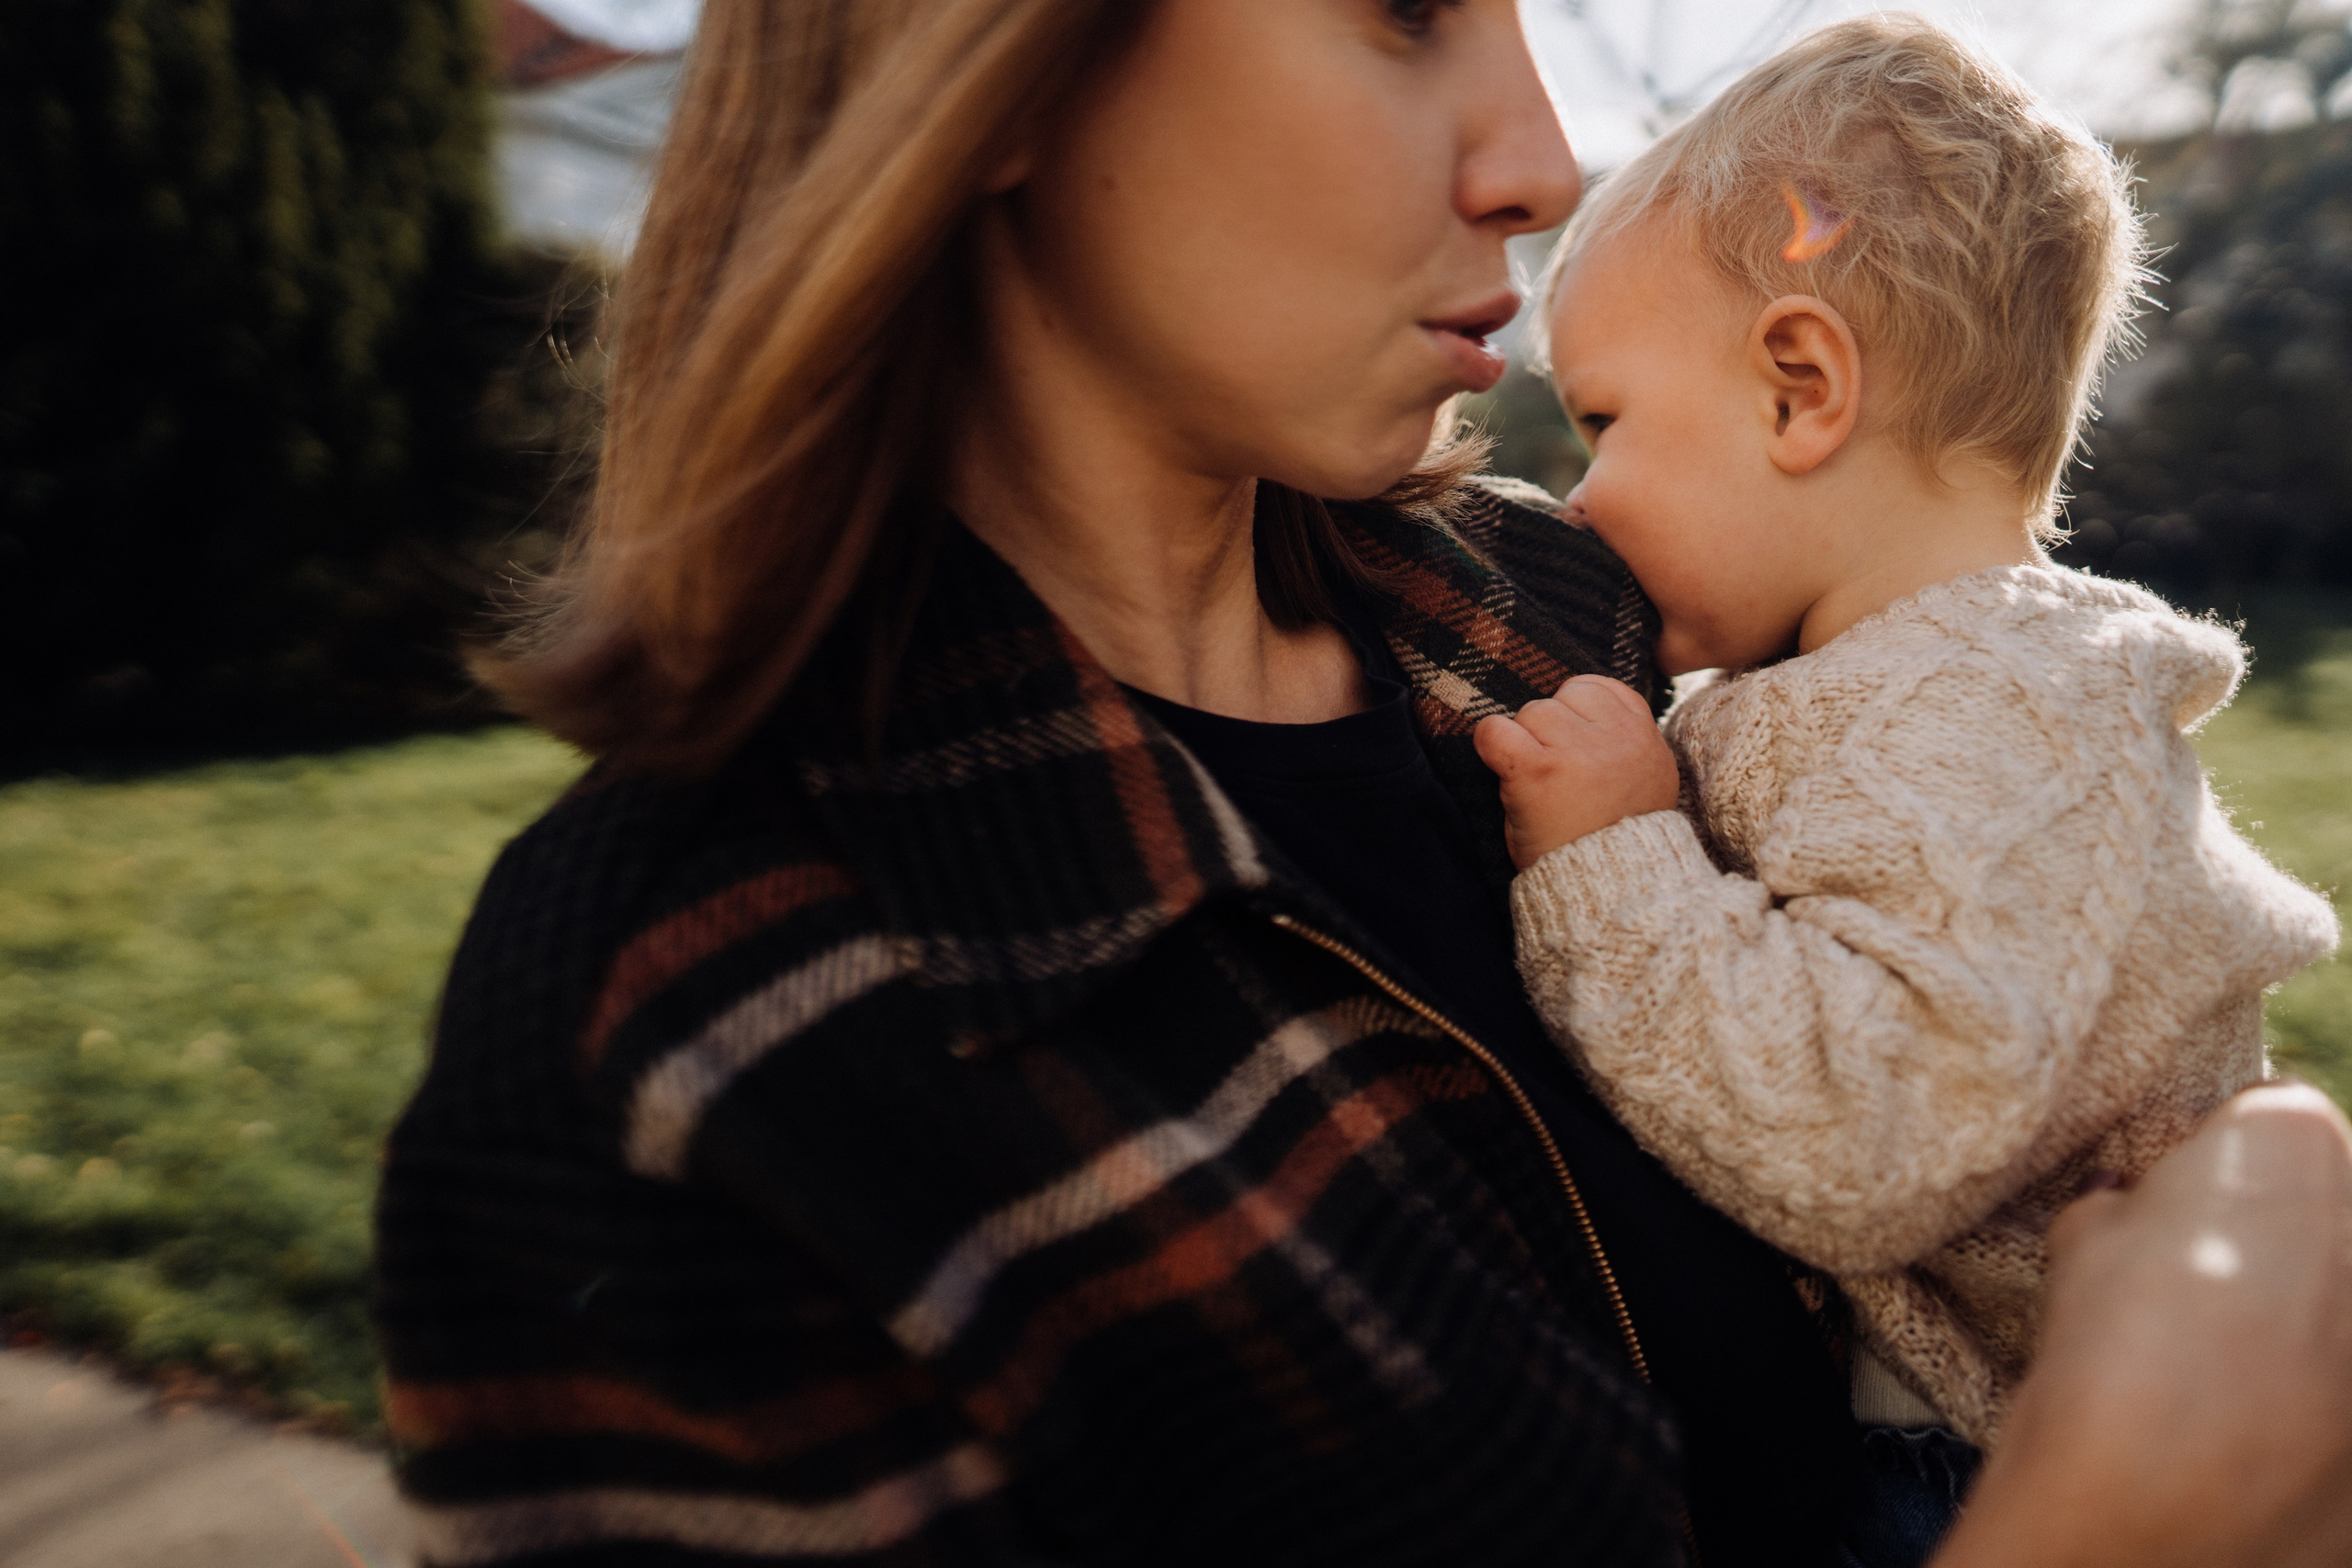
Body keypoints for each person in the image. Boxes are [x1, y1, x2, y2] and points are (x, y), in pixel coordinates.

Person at [371, 2, 2352, 1564]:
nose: (1539, 153)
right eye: (1404, 7)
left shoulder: (1587, 613)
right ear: (990, 68)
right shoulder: (680, 1021)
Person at [1472, 19, 2340, 1564]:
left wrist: (1616, 856)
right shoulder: (1898, 681)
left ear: (1802, 387)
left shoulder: (1994, 716)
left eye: (1604, 422)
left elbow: (1865, 1139)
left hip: (1994, 1462)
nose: (1582, 494)